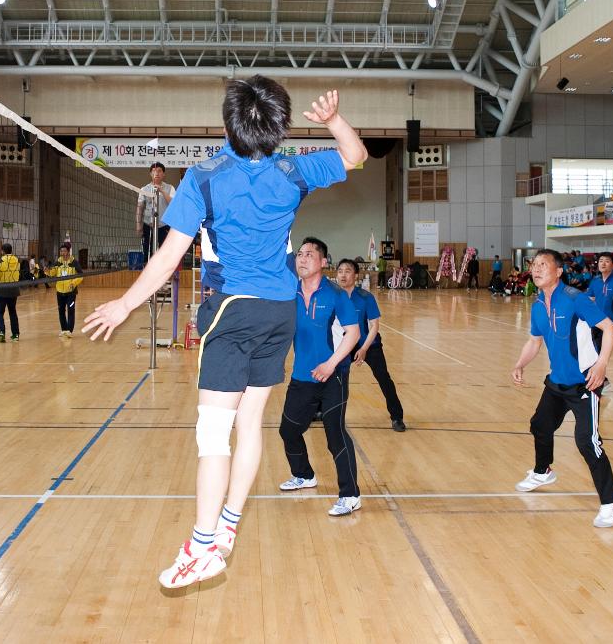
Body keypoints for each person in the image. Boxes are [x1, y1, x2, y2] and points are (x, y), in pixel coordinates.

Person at [83, 79, 364, 589]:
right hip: (280, 311)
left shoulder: (204, 177)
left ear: (229, 123)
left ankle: (203, 543)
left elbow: (169, 257)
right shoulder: (291, 169)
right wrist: (332, 121)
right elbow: (355, 154)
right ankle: (227, 529)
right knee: (250, 423)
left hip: (232, 311)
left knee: (213, 435)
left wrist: (126, 303)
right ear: (278, 127)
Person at [511, 249, 613, 527]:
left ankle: (611, 504)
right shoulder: (538, 304)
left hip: (585, 382)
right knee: (540, 424)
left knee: (587, 442)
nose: (536, 269)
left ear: (558, 271)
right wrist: (520, 364)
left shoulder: (575, 299)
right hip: (557, 381)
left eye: (543, 265)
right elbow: (535, 341)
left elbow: (609, 328)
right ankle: (542, 471)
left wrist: (602, 364)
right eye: (534, 265)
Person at [278, 239, 362, 516]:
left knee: (335, 435)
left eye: (310, 255)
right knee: (288, 430)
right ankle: (304, 475)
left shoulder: (336, 294)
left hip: (333, 376)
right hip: (302, 376)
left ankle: (350, 495)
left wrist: (330, 364)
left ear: (324, 262)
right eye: (300, 254)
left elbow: (354, 333)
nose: (302, 259)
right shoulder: (289, 292)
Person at [335, 258, 404, 432]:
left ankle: (397, 417)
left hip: (369, 345)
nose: (343, 274)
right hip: (344, 345)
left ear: (356, 275)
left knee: (384, 379)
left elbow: (374, 326)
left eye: (348, 271)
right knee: (332, 378)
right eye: (340, 271)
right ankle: (322, 411)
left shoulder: (366, 297)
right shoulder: (333, 297)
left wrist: (364, 349)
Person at [137, 162, 176, 264]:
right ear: (150, 174)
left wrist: (162, 191)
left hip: (164, 225)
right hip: (148, 224)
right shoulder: (144, 189)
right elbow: (140, 208)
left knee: (165, 251)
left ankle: (165, 276)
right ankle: (148, 274)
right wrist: (138, 225)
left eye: (159, 171)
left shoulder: (170, 188)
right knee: (147, 252)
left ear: (164, 174)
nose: (156, 173)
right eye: (154, 171)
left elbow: (173, 204)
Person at [48, 243, 83, 337]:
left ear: (68, 252)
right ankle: (64, 330)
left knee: (71, 310)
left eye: (64, 251)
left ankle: (69, 331)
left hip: (71, 292)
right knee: (61, 311)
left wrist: (73, 283)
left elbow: (81, 275)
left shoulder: (74, 262)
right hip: (60, 292)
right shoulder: (58, 262)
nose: (62, 253)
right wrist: (47, 271)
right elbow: (53, 273)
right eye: (61, 251)